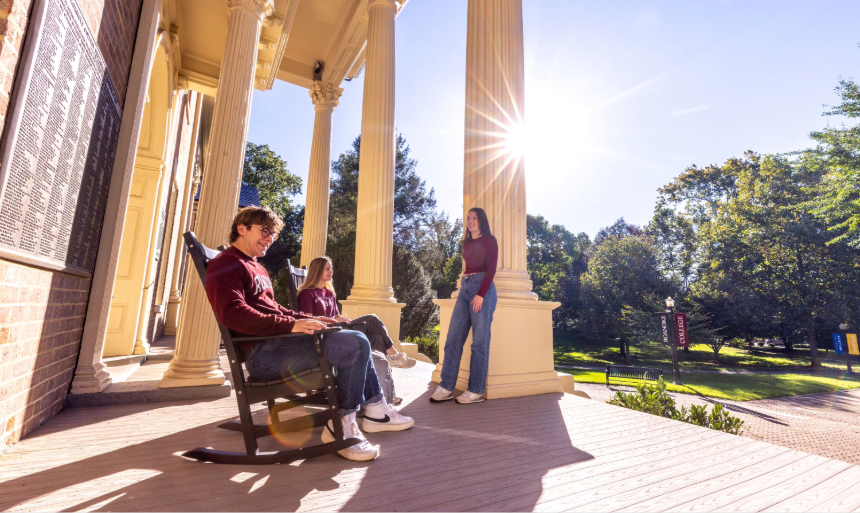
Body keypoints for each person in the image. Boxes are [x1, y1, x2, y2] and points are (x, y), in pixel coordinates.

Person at [204, 206, 414, 462]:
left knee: (355, 337)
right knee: (354, 344)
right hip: (263, 356)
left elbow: (277, 309)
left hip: (280, 345)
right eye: (265, 231)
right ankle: (342, 427)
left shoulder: (256, 267)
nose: (269, 239)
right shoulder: (224, 263)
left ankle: (374, 410)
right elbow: (233, 314)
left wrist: (309, 318)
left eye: (273, 235)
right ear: (242, 228)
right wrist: (288, 326)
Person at [430, 207, 498, 404]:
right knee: (453, 340)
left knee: (479, 343)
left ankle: (475, 391)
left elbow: (491, 269)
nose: (470, 221)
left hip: (482, 289)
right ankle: (446, 387)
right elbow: (469, 268)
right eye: (468, 218)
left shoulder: (489, 240)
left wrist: (481, 294)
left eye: (474, 218)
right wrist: (467, 290)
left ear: (482, 221)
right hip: (465, 288)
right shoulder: (466, 243)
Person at [297, 256, 416, 369]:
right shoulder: (307, 293)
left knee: (377, 338)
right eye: (327, 269)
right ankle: (394, 355)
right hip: (328, 334)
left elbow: (336, 315)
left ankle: (382, 371)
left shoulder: (329, 293)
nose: (331, 272)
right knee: (372, 319)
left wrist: (342, 318)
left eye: (331, 269)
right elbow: (308, 320)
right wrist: (333, 321)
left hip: (339, 328)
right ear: (317, 270)